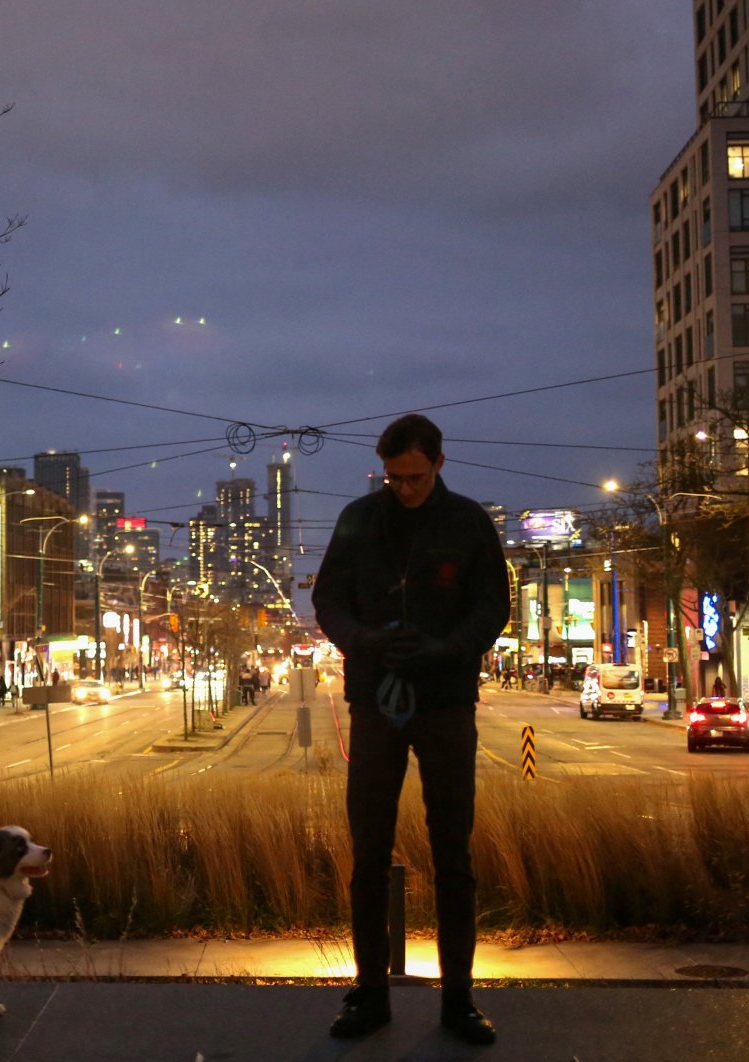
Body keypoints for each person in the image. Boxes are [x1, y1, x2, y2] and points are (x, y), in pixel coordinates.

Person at [311, 413, 510, 1046]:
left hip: (447, 700)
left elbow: (494, 605)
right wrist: (365, 640)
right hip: (376, 699)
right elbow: (327, 600)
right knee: (368, 851)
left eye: (416, 477)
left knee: (454, 852)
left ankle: (459, 1000)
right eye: (395, 478)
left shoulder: (469, 522)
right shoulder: (358, 519)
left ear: (440, 465)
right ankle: (370, 995)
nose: (406, 488)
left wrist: (446, 648)